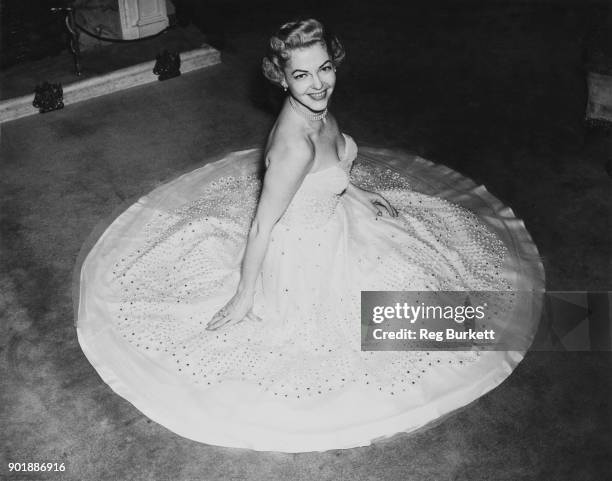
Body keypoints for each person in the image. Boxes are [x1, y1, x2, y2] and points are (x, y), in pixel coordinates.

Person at [75, 18, 544, 452]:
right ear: (282, 79)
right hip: (305, 256)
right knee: (417, 323)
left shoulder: (319, 111)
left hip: (339, 219)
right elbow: (262, 224)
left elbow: (335, 165)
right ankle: (584, 323)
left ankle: (584, 322)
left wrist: (358, 194)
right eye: (302, 76)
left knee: (427, 273)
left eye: (324, 68)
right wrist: (244, 295)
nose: (318, 84)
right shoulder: (292, 146)